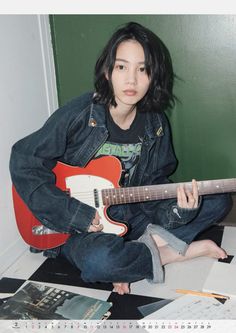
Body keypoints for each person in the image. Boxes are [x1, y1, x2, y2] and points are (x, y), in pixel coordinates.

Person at [10, 22, 232, 295]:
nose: (132, 80)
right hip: (82, 227)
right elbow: (24, 160)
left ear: (153, 77)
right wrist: (73, 214)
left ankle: (138, 256)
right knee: (100, 261)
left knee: (217, 200)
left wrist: (178, 212)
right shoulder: (80, 114)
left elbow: (154, 184)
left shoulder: (155, 123)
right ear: (107, 71)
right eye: (122, 67)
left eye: (143, 69)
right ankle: (168, 253)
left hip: (133, 213)